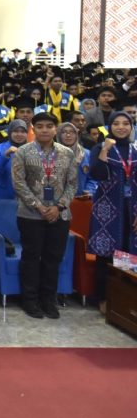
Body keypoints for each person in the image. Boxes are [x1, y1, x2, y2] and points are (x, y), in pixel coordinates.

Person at [11, 112, 77, 319]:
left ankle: (48, 300)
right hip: (30, 215)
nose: (45, 130)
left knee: (52, 259)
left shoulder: (67, 153)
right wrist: (38, 206)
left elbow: (72, 184)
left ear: (55, 129)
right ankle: (29, 300)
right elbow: (19, 183)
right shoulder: (23, 152)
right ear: (34, 129)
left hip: (60, 215)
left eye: (49, 126)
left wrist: (59, 206)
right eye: (40, 126)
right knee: (31, 257)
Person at [87, 111, 137, 309]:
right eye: (116, 123)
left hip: (132, 210)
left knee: (129, 254)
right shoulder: (100, 147)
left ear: (131, 127)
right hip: (107, 209)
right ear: (109, 127)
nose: (121, 127)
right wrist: (104, 150)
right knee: (106, 255)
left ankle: (125, 302)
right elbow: (97, 174)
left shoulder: (135, 149)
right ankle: (103, 298)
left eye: (126, 123)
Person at [0, 120, 30, 201]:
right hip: (3, 196)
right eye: (16, 131)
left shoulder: (33, 149)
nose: (19, 134)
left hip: (26, 197)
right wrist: (6, 155)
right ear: (9, 132)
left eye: (23, 132)